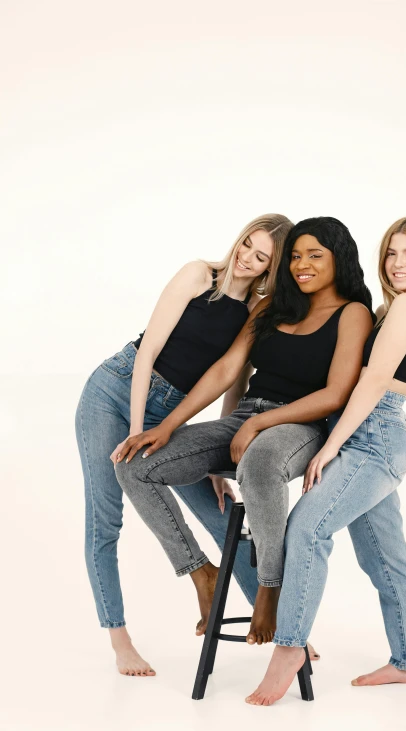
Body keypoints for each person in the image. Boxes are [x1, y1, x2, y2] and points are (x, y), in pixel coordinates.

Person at [115, 216, 375, 649]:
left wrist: (258, 423)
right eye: (294, 256)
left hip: (299, 425)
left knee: (261, 462)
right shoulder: (271, 306)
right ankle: (201, 572)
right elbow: (227, 369)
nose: (301, 264)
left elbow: (335, 394)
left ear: (339, 259)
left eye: (314, 255)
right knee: (137, 465)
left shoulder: (353, 313)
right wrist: (167, 426)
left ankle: (269, 587)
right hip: (245, 419)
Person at [75, 213, 293, 677]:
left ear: (270, 270)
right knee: (105, 522)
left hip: (172, 419)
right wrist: (137, 429)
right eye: (247, 244)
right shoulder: (200, 274)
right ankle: (120, 640)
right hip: (116, 392)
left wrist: (215, 464)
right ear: (239, 238)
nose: (247, 258)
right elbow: (148, 351)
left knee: (220, 513)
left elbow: (232, 379)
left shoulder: (254, 310)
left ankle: (282, 628)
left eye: (261, 257)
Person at [246, 216, 406, 706]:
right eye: (392, 254)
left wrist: (331, 446)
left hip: (371, 439)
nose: (399, 264)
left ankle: (289, 648)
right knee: (385, 555)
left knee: (307, 529)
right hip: (372, 434)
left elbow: (373, 382)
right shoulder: (395, 309)